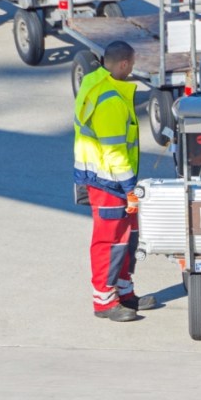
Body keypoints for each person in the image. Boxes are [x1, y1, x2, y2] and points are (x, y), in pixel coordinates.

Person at [73, 40, 156, 322]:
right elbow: (114, 150)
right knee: (110, 241)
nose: (133, 69)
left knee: (127, 237)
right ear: (123, 65)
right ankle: (105, 301)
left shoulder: (99, 82)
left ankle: (124, 291)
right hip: (109, 182)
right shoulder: (110, 101)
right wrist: (130, 188)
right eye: (132, 64)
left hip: (112, 181)